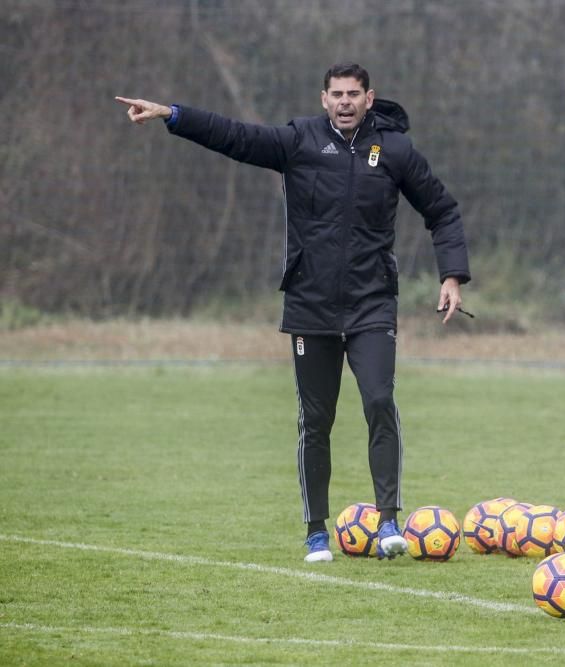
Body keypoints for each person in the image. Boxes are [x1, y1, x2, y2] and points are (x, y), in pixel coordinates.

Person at [116, 62, 471, 563]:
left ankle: (389, 520)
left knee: (378, 402)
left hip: (372, 304)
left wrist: (451, 275)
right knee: (316, 419)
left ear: (370, 98)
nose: (345, 102)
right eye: (336, 94)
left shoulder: (393, 151)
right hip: (310, 305)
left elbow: (442, 211)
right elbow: (234, 137)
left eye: (354, 94)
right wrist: (172, 114)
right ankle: (316, 532)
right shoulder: (298, 141)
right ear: (323, 98)